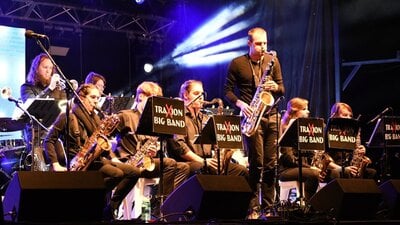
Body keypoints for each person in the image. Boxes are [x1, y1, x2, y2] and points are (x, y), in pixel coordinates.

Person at [43, 83, 139, 220]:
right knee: (117, 174)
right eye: (93, 97)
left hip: (96, 160)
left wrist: (112, 157)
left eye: (98, 98)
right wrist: (55, 163)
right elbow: (49, 140)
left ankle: (109, 207)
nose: (96, 101)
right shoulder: (67, 116)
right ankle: (90, 200)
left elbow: (102, 140)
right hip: (79, 162)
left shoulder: (95, 117)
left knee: (134, 172)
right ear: (81, 97)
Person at [224, 27, 285, 213]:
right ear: (249, 43)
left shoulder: (272, 60)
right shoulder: (237, 63)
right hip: (251, 116)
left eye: (265, 43)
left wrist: (275, 86)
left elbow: (282, 89)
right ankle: (251, 207)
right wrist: (241, 104)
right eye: (259, 44)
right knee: (256, 162)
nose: (263, 47)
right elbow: (227, 91)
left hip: (271, 114)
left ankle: (268, 207)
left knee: (270, 164)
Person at [113, 81, 190, 214]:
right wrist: (115, 159)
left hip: (145, 162)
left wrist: (154, 150)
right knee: (170, 163)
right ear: (141, 96)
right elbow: (107, 139)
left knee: (184, 167)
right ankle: (160, 209)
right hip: (129, 163)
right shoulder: (125, 116)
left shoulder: (153, 120)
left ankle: (167, 203)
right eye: (152, 99)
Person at [169, 79, 248, 177]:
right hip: (188, 163)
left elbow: (215, 144)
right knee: (202, 168)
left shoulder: (206, 118)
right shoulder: (178, 116)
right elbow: (179, 148)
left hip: (208, 161)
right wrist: (203, 161)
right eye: (196, 93)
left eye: (202, 94)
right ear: (185, 95)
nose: (200, 97)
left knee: (241, 171)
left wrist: (220, 158)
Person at [19, 53, 67, 171]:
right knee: (41, 166)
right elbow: (33, 105)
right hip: (36, 134)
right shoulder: (26, 87)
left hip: (54, 132)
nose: (48, 71)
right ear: (36, 69)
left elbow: (64, 107)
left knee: (62, 158)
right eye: (45, 67)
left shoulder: (57, 88)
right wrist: (49, 89)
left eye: (50, 68)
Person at [322, 102, 377, 181]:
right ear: (335, 115)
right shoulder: (327, 131)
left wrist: (361, 151)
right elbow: (322, 158)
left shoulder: (353, 131)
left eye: (350, 116)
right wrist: (342, 168)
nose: (348, 118)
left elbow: (355, 154)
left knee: (372, 172)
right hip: (333, 168)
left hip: (348, 167)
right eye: (345, 115)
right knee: (340, 172)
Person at [279, 97, 320, 202]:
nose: (308, 111)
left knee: (320, 173)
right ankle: (309, 204)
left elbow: (310, 154)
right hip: (286, 170)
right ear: (295, 111)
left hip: (302, 168)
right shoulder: (284, 128)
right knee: (314, 174)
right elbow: (289, 159)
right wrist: (310, 168)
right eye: (304, 109)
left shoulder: (305, 128)